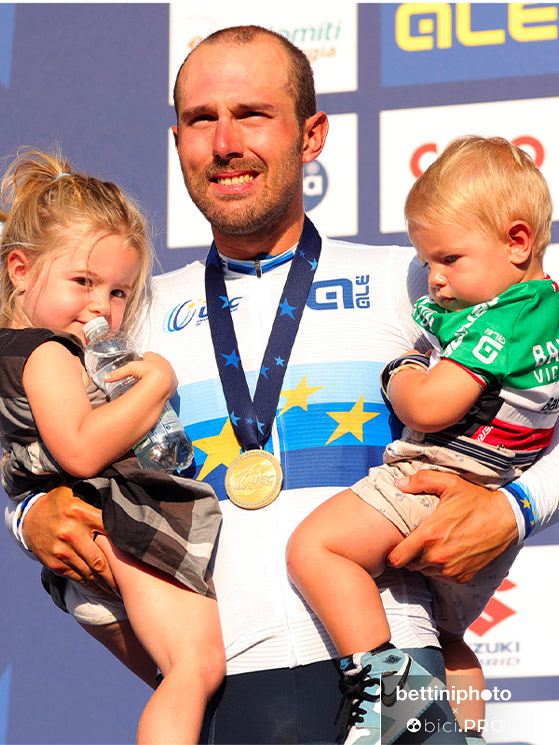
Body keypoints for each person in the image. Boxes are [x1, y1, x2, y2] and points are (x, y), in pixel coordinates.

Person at [7, 26, 559, 745]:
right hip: (229, 690)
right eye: (202, 119)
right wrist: (29, 515)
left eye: (252, 114)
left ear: (312, 135)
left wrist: (516, 507)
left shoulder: (417, 281)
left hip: (393, 671)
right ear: (177, 142)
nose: (225, 142)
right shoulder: (124, 313)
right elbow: (40, 445)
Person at [286, 134, 557, 744]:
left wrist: (402, 370)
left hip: (438, 483)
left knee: (316, 550)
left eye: (449, 259)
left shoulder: (505, 318)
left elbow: (430, 408)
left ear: (518, 241)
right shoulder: (550, 311)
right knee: (448, 636)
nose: (433, 279)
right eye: (426, 261)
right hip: (489, 506)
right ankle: (467, 737)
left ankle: (382, 695)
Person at [0, 148, 224, 745]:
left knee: (192, 695)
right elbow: (79, 450)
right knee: (196, 669)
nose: (101, 306)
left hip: (93, 556)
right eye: (83, 282)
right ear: (20, 269)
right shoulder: (48, 353)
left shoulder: (29, 350)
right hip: (116, 529)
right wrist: (156, 386)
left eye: (120, 292)